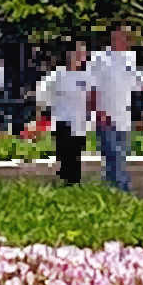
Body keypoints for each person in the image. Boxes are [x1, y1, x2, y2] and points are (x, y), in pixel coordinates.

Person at [87, 22, 139, 193]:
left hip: (124, 116)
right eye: (123, 35)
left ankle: (113, 192)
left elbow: (137, 82)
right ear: (114, 37)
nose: (127, 39)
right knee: (113, 156)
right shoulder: (99, 59)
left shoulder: (130, 58)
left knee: (121, 157)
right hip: (106, 117)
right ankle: (123, 191)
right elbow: (91, 87)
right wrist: (98, 112)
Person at [39, 41, 90, 186]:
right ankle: (64, 183)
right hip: (63, 122)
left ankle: (74, 184)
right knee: (66, 156)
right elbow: (42, 96)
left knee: (77, 156)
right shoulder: (58, 75)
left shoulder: (85, 76)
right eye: (78, 53)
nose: (81, 56)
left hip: (80, 123)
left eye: (83, 53)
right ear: (69, 55)